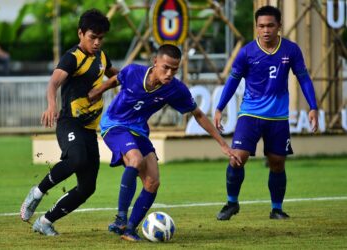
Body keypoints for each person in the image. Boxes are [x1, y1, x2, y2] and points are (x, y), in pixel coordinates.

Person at [88, 44, 242, 241]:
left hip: (139, 131)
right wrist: (96, 92)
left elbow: (198, 114)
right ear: (155, 62)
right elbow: (114, 80)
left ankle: (129, 230)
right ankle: (120, 218)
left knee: (152, 182)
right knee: (134, 159)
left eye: (174, 69)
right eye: (166, 67)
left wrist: (223, 144)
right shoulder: (133, 71)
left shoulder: (175, 89)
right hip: (114, 124)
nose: (170, 73)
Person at [214, 5, 319, 221]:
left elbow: (303, 78)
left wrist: (313, 107)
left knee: (277, 163)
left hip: (278, 117)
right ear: (256, 27)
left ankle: (276, 209)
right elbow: (233, 80)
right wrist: (219, 107)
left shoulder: (291, 50)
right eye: (261, 26)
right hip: (250, 114)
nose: (266, 30)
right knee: (237, 159)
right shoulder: (246, 53)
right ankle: (232, 203)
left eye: (270, 25)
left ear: (279, 26)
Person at [20, 9, 118, 236]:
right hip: (69, 123)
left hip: (90, 129)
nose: (96, 42)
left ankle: (45, 221)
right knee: (76, 159)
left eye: (100, 38)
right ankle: (37, 192)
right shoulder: (72, 57)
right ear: (80, 33)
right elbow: (53, 83)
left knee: (87, 188)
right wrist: (52, 105)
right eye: (92, 37)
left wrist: (109, 85)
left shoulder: (102, 57)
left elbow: (117, 76)